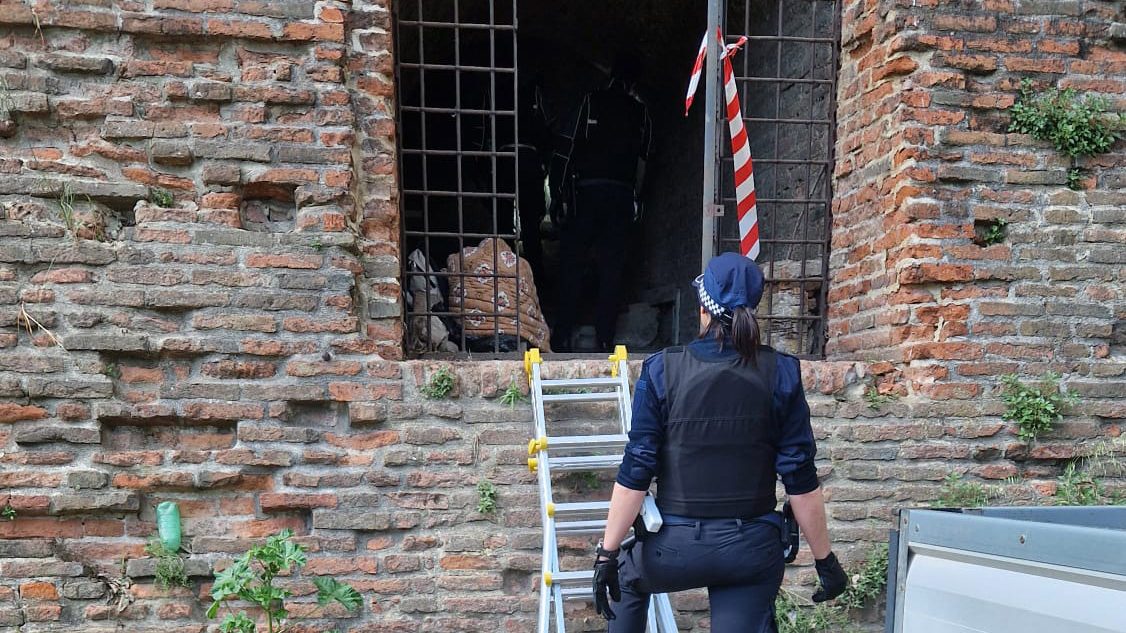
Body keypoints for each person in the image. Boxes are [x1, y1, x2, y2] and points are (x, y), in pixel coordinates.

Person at [591, 253, 848, 632]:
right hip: (752, 550)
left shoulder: (663, 369)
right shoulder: (783, 373)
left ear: (702, 307)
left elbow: (636, 470)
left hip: (674, 548)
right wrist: (825, 560)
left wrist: (607, 555)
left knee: (626, 578)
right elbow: (800, 479)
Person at [551, 52, 653, 353]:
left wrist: (559, 194)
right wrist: (638, 198)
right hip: (620, 195)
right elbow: (643, 162)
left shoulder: (590, 101)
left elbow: (567, 148)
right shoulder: (641, 112)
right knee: (612, 269)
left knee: (573, 263)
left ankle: (561, 336)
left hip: (587, 192)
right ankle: (605, 338)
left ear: (610, 74)